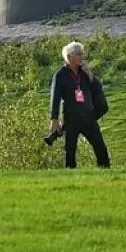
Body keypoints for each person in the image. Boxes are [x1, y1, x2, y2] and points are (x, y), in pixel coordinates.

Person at [49, 40, 111, 169]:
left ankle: (105, 172)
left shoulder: (84, 72)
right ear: (69, 57)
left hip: (88, 116)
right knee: (70, 151)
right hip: (71, 118)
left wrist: (91, 77)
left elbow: (98, 89)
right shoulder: (61, 75)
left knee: (100, 148)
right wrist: (54, 119)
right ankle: (70, 175)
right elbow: (55, 98)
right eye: (79, 54)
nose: (82, 57)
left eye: (83, 54)